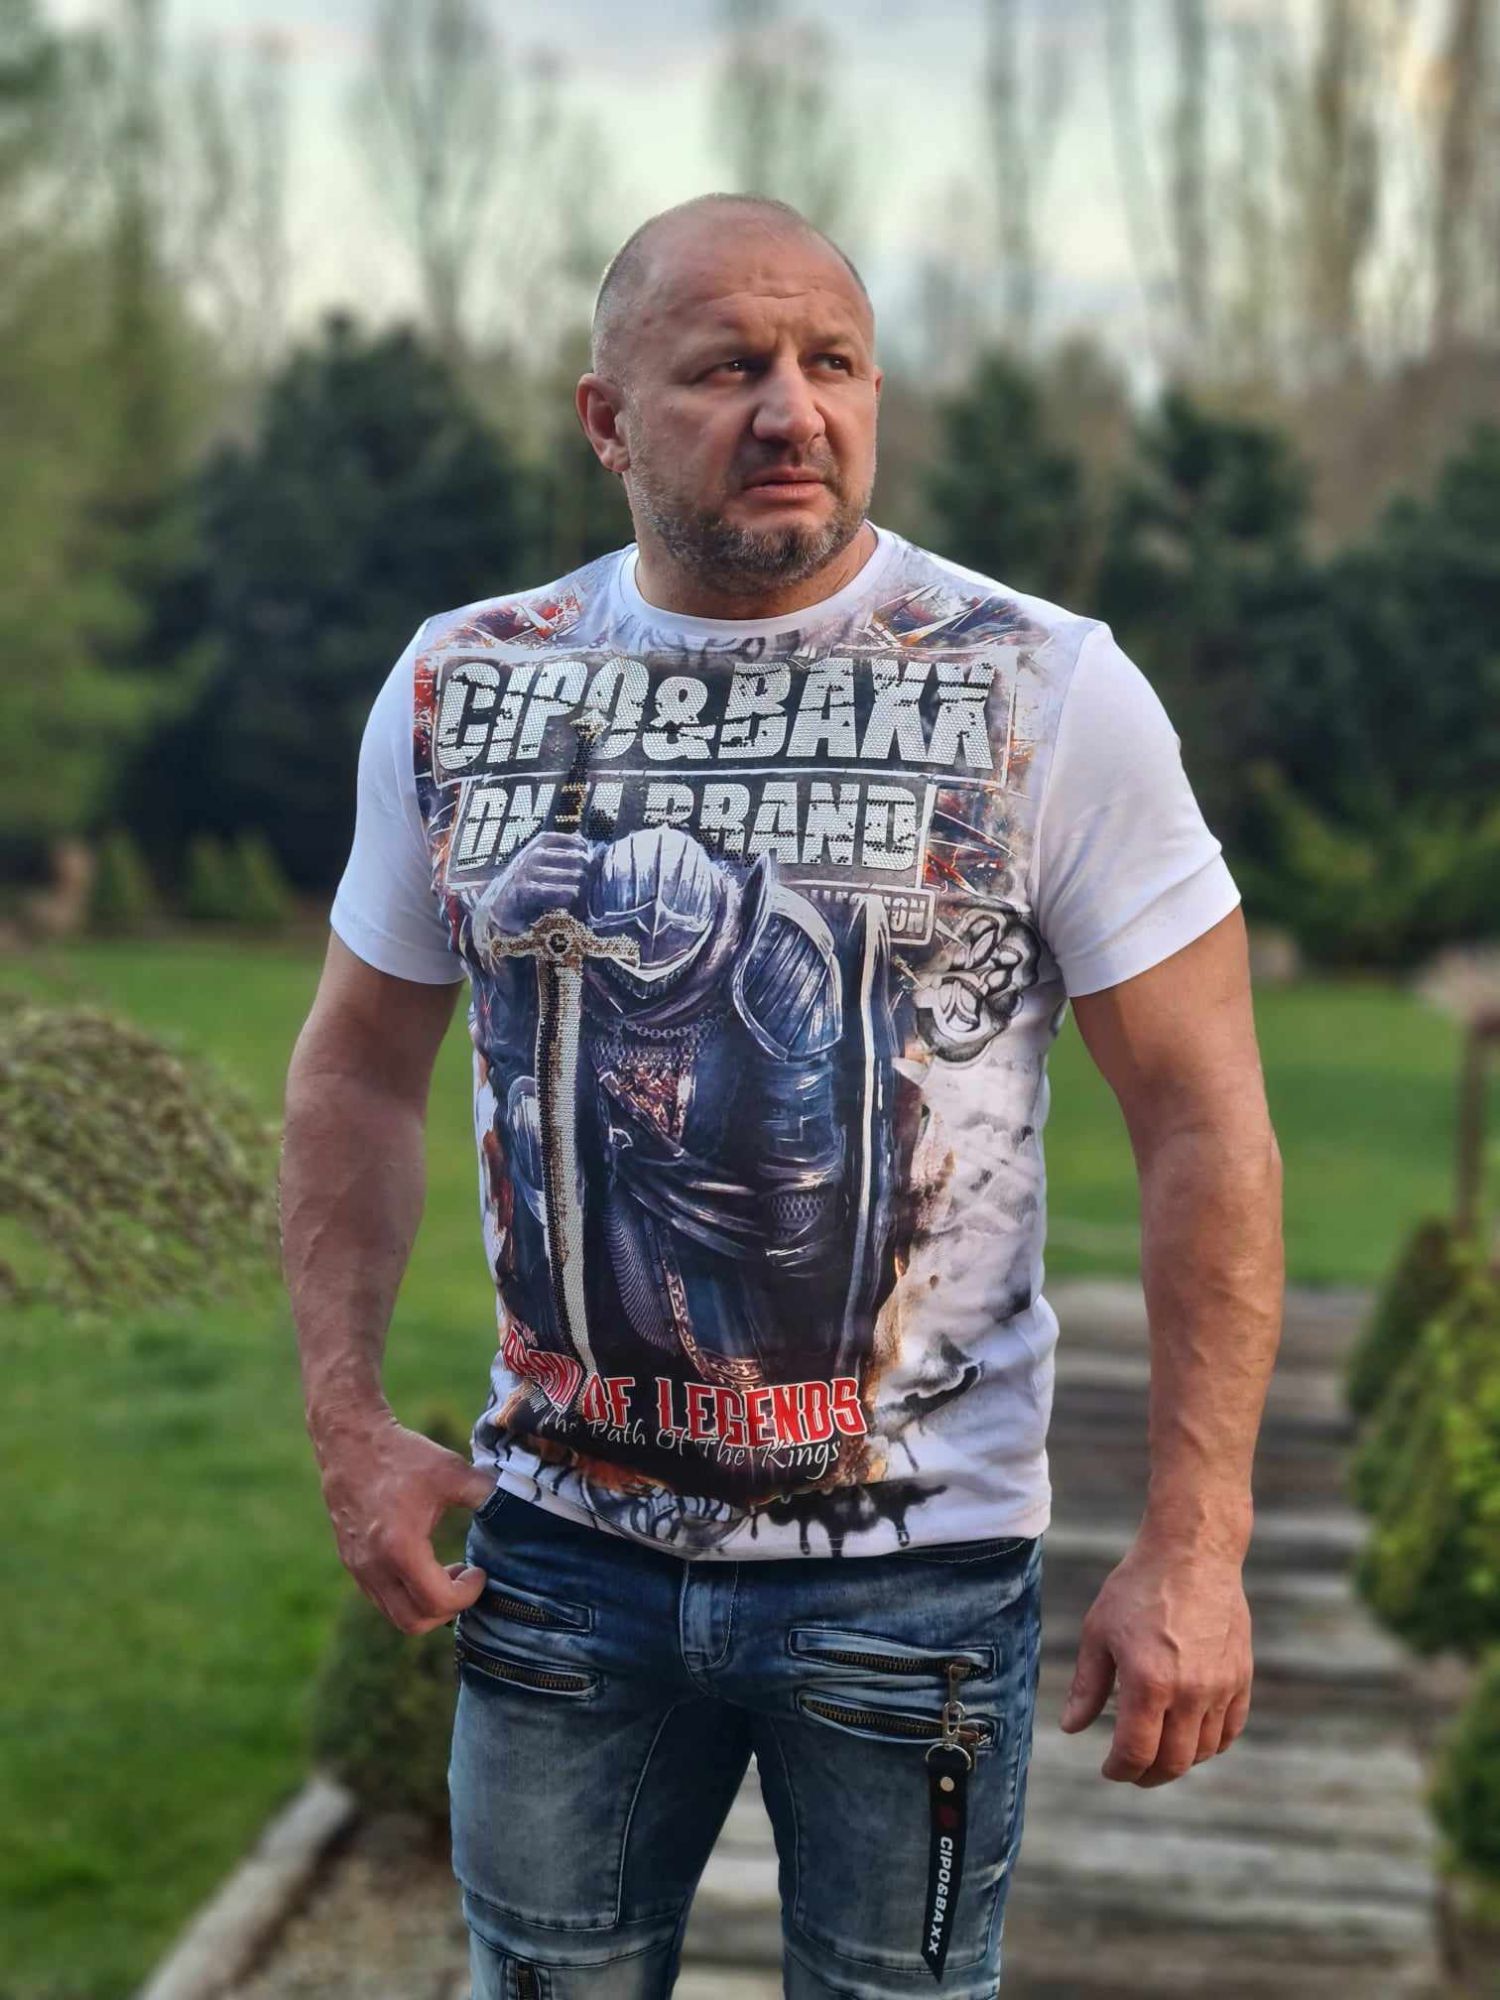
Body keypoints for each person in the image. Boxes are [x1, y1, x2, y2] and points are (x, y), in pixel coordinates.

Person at [280, 192, 1284, 1998]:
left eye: (833, 363)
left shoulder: (1044, 686)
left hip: (914, 1570)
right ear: (606, 419)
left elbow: (1206, 1117)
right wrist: (348, 1424)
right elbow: (355, 1067)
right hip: (563, 1555)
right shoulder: (468, 682)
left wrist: (1198, 1547)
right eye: (727, 367)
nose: (792, 410)